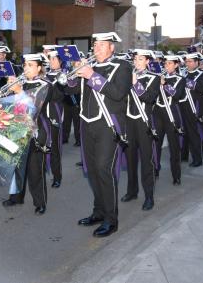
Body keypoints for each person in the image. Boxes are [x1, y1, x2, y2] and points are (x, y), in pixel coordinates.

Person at [66, 32, 131, 238]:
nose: (97, 48)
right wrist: (73, 75)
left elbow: (118, 93)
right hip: (87, 124)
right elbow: (71, 93)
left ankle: (111, 220)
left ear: (112, 47)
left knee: (104, 169)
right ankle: (99, 211)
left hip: (108, 125)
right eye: (95, 45)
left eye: (102, 45)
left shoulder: (122, 67)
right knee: (93, 170)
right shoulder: (88, 67)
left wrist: (91, 75)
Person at [3, 53, 62, 214]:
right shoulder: (20, 83)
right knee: (17, 165)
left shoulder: (45, 85)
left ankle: (40, 202)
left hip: (36, 129)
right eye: (25, 65)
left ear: (38, 68)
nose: (26, 68)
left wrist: (19, 91)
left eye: (30, 65)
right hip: (18, 129)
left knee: (36, 168)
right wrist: (8, 91)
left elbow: (34, 107)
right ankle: (16, 196)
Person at [123, 49, 160, 211]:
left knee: (147, 161)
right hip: (129, 122)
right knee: (130, 159)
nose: (136, 62)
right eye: (135, 59)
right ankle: (132, 191)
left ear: (147, 61)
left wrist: (135, 83)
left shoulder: (154, 78)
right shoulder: (127, 77)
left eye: (140, 59)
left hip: (144, 123)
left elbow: (149, 98)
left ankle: (149, 196)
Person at [154, 55, 185, 185]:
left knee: (174, 147)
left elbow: (177, 94)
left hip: (171, 114)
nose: (166, 66)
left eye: (170, 63)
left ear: (176, 65)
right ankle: (155, 170)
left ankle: (176, 175)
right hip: (157, 114)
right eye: (165, 63)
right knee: (156, 145)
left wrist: (165, 83)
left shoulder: (180, 79)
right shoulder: (158, 76)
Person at [179, 53, 203, 167]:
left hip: (194, 106)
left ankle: (197, 158)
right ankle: (184, 155)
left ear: (197, 62)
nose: (188, 64)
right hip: (182, 105)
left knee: (194, 133)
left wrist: (184, 80)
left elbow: (201, 88)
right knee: (184, 132)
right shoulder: (183, 73)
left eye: (191, 61)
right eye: (187, 61)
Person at [44, 50, 65, 188]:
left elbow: (58, 95)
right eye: (50, 59)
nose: (51, 62)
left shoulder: (62, 76)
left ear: (60, 61)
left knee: (55, 147)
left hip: (54, 112)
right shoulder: (45, 75)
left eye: (54, 59)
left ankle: (57, 177)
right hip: (42, 114)